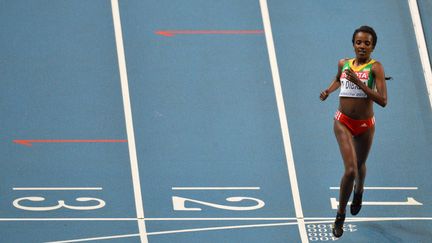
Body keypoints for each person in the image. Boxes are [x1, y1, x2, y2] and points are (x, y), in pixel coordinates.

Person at [320, 26, 388, 238]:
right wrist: (328, 91)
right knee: (350, 170)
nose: (362, 46)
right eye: (359, 42)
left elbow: (383, 101)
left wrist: (359, 83)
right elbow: (338, 78)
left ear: (373, 47)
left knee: (359, 166)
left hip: (366, 125)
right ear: (353, 44)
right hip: (343, 122)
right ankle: (340, 215)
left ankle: (359, 192)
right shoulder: (344, 63)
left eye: (367, 43)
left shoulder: (376, 68)